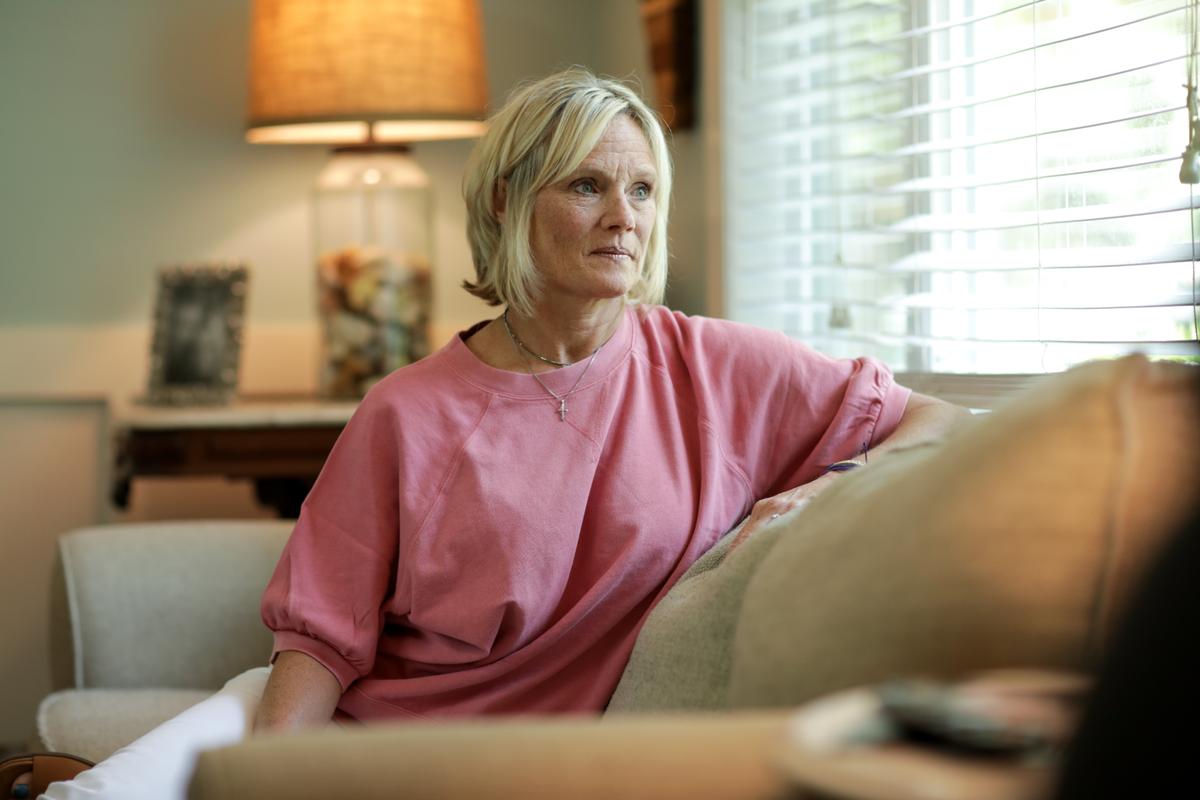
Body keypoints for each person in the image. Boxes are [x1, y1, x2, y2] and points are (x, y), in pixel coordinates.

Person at [6, 66, 966, 799]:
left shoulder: (714, 368)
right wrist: (274, 782)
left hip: (498, 767)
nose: (623, 219)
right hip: (353, 737)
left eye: (640, 191)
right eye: (587, 186)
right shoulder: (409, 411)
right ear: (510, 201)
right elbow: (320, 643)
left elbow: (936, 420)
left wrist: (819, 488)